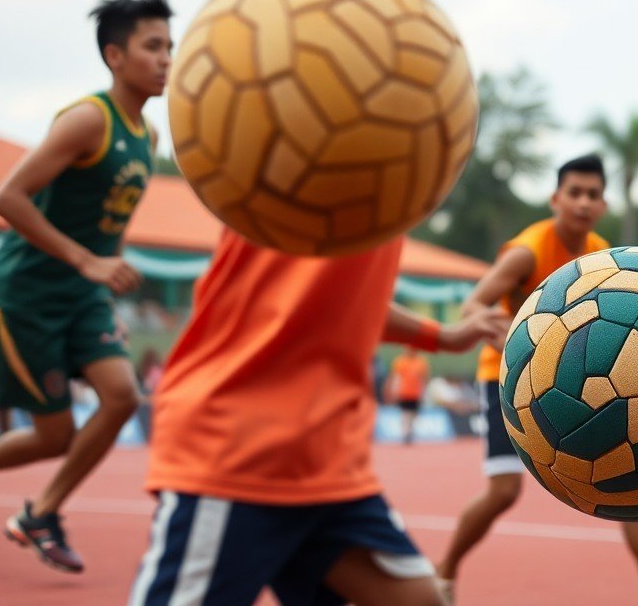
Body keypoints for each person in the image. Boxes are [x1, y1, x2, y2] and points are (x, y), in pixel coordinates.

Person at [128, 228, 508, 606]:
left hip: (328, 462)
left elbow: (353, 297)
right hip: (239, 448)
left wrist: (441, 336)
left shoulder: (389, 198)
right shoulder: (285, 187)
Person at [0, 0, 173, 573]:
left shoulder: (148, 137)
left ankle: (41, 512)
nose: (167, 59)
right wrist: (85, 262)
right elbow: (6, 198)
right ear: (115, 56)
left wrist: (101, 281)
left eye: (170, 46)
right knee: (55, 435)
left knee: (121, 398)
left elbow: (110, 223)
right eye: (153, 46)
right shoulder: (88, 118)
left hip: (82, 297)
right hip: (26, 298)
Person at [435, 154, 638, 606]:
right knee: (503, 492)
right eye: (574, 193)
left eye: (593, 195)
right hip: (511, 380)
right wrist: (503, 331)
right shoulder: (527, 251)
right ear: (556, 198)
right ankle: (444, 574)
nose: (583, 202)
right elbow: (472, 306)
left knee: (631, 468)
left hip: (580, 380)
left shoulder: (602, 253)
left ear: (603, 204)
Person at [387, 346, 431, 446]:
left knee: (414, 414)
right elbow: (395, 377)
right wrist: (393, 391)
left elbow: (425, 378)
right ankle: (405, 433)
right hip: (404, 392)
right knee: (405, 413)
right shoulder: (400, 361)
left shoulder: (421, 362)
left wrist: (425, 392)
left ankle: (410, 430)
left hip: (416, 393)